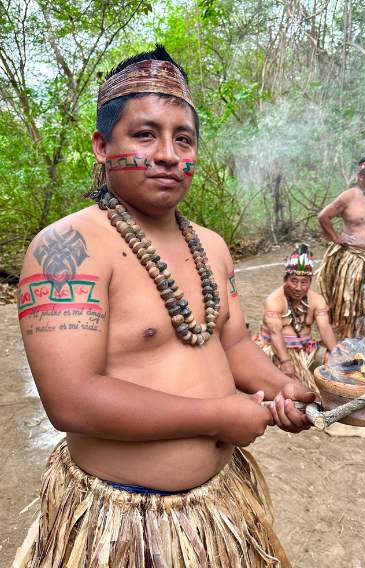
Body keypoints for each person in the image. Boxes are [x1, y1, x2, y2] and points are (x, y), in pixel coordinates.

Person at [14, 46, 314, 567]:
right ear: (102, 145)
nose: (170, 154)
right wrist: (220, 415)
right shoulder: (66, 249)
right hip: (124, 525)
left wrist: (282, 387)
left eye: (184, 139)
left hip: (219, 509)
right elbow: (72, 401)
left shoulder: (211, 247)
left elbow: (234, 343)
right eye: (145, 134)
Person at [317, 153, 365, 339]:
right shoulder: (348, 197)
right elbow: (323, 217)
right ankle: (351, 342)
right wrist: (336, 238)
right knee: (354, 308)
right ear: (360, 175)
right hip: (356, 262)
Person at [254, 244, 338, 392]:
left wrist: (336, 354)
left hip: (306, 349)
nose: (299, 287)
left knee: (334, 362)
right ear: (285, 279)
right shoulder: (274, 300)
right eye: (294, 280)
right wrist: (285, 361)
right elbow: (275, 333)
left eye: (304, 282)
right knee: (290, 384)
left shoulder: (317, 300)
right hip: (277, 350)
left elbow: (325, 328)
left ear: (310, 282)